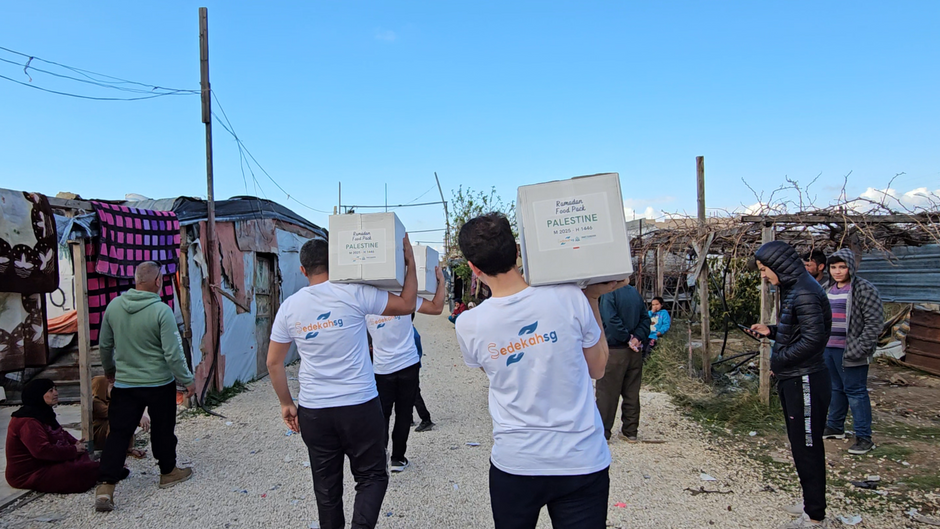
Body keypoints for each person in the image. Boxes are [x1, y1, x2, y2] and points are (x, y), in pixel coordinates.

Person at [454, 213, 622, 529]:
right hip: (581, 460)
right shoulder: (569, 296)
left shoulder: (468, 324)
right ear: (518, 251)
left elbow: (495, 374)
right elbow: (597, 368)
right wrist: (592, 298)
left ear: (473, 268)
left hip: (517, 463)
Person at [266, 236, 419, 529]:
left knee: (326, 490)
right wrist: (410, 263)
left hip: (314, 411)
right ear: (336, 263)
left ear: (302, 270)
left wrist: (286, 403)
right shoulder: (355, 293)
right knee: (372, 476)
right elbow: (407, 303)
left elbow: (274, 362)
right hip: (359, 406)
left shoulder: (289, 307)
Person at [94, 261, 196, 513]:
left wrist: (110, 370)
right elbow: (173, 353)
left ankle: (106, 486)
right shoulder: (162, 311)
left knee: (119, 433)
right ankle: (168, 472)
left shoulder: (114, 306)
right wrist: (187, 379)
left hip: (125, 384)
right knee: (163, 429)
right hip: (159, 383)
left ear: (136, 280)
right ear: (158, 281)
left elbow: (105, 344)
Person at [750, 241, 832, 528]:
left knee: (807, 446)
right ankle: (811, 502)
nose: (763, 275)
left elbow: (813, 340)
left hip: (805, 379)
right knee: (800, 445)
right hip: (795, 376)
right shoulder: (796, 288)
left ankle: (815, 516)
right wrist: (771, 331)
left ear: (779, 266)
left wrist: (780, 360)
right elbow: (798, 331)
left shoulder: (806, 292)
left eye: (764, 269)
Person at [367, 266, 445, 472]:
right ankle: (398, 459)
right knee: (403, 414)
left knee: (382, 415)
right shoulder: (405, 298)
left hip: (382, 369)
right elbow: (437, 308)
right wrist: (441, 282)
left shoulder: (366, 301)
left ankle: (380, 458)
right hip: (408, 365)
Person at [821, 249, 883, 455]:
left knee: (855, 392)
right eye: (833, 267)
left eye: (842, 267)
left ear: (850, 268)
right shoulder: (826, 288)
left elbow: (874, 323)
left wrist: (860, 347)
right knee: (835, 388)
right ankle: (835, 426)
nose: (837, 271)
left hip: (851, 351)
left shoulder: (863, 289)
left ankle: (864, 437)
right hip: (829, 348)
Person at [5, 379, 100, 493]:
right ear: (38, 395)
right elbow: (42, 450)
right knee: (77, 470)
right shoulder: (27, 421)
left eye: (55, 389)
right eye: (50, 391)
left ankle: (99, 469)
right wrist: (73, 450)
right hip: (30, 473)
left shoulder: (43, 413)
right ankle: (102, 470)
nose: (56, 393)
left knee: (81, 456)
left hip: (46, 463)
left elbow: (60, 432)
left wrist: (75, 443)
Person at [596, 284, 651, 442]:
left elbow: (610, 319)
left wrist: (627, 338)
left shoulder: (609, 293)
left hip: (614, 350)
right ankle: (630, 431)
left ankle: (603, 432)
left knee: (607, 393)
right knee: (632, 392)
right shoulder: (634, 292)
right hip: (635, 351)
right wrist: (637, 338)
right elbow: (645, 319)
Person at [91, 375, 149, 459]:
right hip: (100, 438)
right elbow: (115, 413)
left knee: (124, 421)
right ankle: (113, 455)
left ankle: (127, 449)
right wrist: (138, 417)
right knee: (117, 421)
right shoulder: (95, 403)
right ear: (101, 389)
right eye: (112, 387)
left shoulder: (114, 400)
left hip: (110, 436)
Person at [411, 318, 434, 432]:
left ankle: (426, 419)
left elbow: (417, 352)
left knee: (414, 393)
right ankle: (409, 417)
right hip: (410, 365)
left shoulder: (411, 333)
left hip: (411, 366)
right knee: (406, 392)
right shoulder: (410, 331)